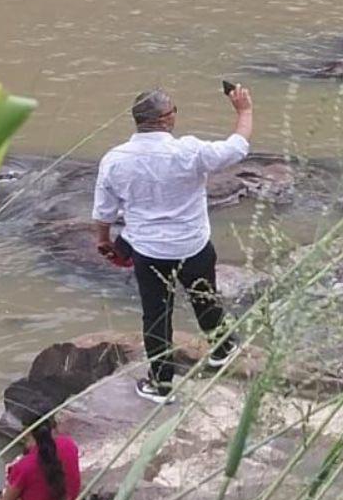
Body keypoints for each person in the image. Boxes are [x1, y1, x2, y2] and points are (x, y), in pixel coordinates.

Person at [92, 85, 253, 403]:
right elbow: (237, 148)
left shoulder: (114, 160)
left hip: (148, 252)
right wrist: (244, 110)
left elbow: (103, 212)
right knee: (204, 297)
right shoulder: (189, 151)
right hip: (193, 245)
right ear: (167, 118)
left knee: (155, 315)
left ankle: (161, 384)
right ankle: (222, 348)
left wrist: (104, 242)